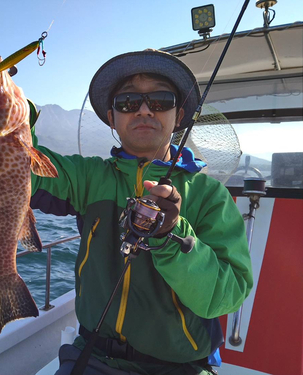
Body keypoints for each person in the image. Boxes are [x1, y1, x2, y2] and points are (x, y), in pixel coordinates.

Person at [30, 49, 253, 375]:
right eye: (128, 102)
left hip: (180, 366)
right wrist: (14, 119)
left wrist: (171, 234)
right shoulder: (88, 178)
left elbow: (226, 296)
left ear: (178, 117)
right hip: (92, 356)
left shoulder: (210, 196)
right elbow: (23, 171)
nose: (145, 110)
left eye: (161, 100)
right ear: (112, 117)